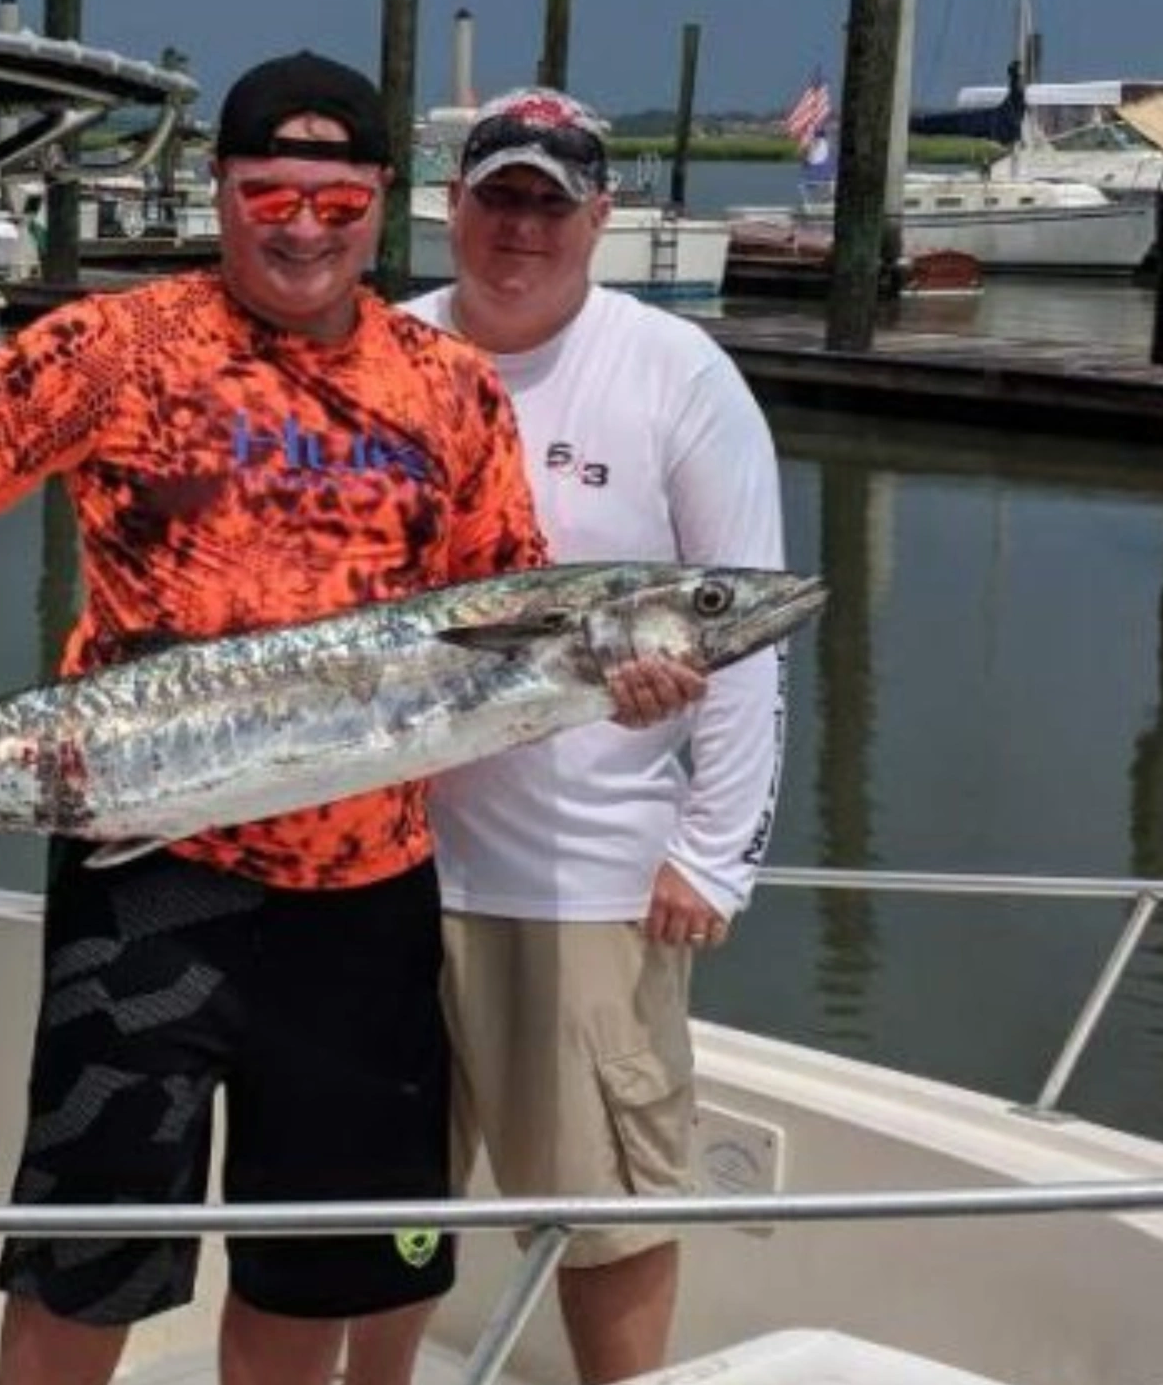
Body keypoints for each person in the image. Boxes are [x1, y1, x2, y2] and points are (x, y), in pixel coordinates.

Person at [0, 53, 705, 1385]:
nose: (300, 224)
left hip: (365, 904)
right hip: (152, 868)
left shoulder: (447, 388)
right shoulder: (118, 349)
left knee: (314, 1267)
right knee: (90, 1258)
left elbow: (498, 615)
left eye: (335, 201)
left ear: (379, 203)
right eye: (268, 191)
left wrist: (622, 694)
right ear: (220, 192)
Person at [354, 87, 790, 1384]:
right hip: (381, 865)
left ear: (601, 218)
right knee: (380, 1207)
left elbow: (744, 625)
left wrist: (715, 853)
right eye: (499, 196)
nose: (521, 227)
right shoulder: (383, 353)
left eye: (552, 202)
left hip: (586, 882)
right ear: (453, 206)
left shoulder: (675, 375)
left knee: (606, 1217)